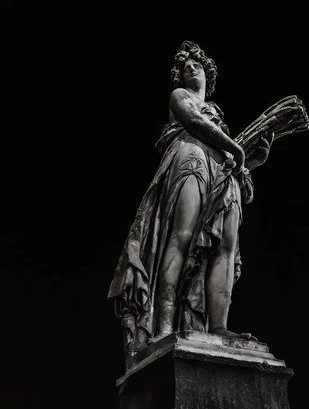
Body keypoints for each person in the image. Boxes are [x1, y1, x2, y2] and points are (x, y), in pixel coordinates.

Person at [108, 41, 273, 356]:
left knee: (225, 246)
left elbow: (228, 152)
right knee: (181, 236)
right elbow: (195, 123)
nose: (191, 68)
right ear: (179, 78)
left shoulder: (219, 118)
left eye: (197, 64)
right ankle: (164, 327)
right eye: (185, 67)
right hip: (191, 156)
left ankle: (219, 326)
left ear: (208, 74)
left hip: (222, 170)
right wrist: (236, 148)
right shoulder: (180, 97)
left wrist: (251, 162)